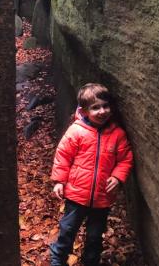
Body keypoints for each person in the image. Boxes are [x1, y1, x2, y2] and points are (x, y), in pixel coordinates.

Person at [49, 83, 134, 266]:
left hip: (102, 197)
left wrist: (119, 177)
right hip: (76, 195)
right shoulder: (76, 131)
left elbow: (125, 158)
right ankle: (58, 259)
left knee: (95, 236)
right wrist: (59, 181)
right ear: (84, 110)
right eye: (95, 107)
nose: (102, 111)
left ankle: (91, 262)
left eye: (105, 106)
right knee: (67, 230)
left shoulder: (117, 134)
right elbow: (63, 156)